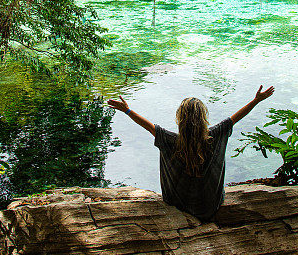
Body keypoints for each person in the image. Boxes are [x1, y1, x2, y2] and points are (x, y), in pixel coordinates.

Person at [107, 85, 275, 221]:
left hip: (176, 204)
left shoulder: (170, 140)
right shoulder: (214, 136)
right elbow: (236, 117)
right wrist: (256, 100)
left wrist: (127, 110)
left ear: (180, 119)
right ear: (203, 118)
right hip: (210, 205)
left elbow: (148, 126)